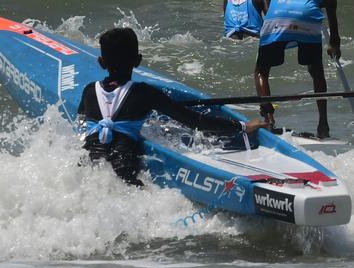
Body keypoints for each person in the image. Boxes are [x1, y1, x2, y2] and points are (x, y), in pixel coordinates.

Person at [78, 27, 264, 185]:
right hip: (124, 171)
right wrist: (242, 126)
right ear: (138, 60)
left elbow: (82, 121)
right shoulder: (144, 93)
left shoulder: (89, 91)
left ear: (101, 62)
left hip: (87, 167)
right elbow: (195, 121)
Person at [254, 0, 340, 139]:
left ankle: (269, 119)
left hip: (275, 21)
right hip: (306, 24)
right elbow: (335, 34)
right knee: (316, 71)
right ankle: (323, 125)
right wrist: (334, 47)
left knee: (261, 71)